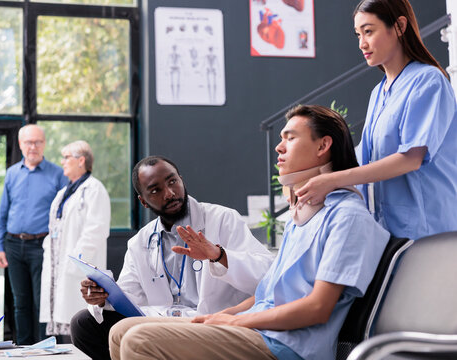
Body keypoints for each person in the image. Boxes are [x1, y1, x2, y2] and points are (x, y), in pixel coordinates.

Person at [108, 105, 390, 360]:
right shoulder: (301, 215)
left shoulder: (346, 216)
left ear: (323, 146)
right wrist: (222, 316)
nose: (279, 148)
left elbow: (318, 308)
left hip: (287, 344)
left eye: (290, 138)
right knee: (120, 331)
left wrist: (236, 320)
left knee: (139, 339)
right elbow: (265, 293)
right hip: (257, 327)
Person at [70, 155, 274, 360]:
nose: (169, 193)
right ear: (143, 201)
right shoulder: (140, 241)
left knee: (134, 335)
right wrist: (102, 297)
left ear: (181, 180)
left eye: (172, 182)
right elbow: (129, 295)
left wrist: (218, 255)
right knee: (83, 323)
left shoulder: (222, 219)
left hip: (211, 320)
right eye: (155, 190)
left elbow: (267, 272)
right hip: (164, 320)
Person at [294, 0, 457, 240]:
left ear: (400, 26)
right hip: (388, 228)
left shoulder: (428, 81)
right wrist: (307, 180)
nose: (362, 44)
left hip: (428, 228)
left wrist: (330, 180)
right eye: (358, 34)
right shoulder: (378, 93)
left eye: (369, 31)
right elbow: (364, 157)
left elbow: (411, 158)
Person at [0, 124, 67, 345]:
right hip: (13, 245)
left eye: (37, 142)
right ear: (20, 144)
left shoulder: (58, 174)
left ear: (44, 144)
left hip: (42, 246)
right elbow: (3, 211)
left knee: (42, 302)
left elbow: (65, 215)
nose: (32, 146)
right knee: (20, 302)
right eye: (28, 142)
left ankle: (46, 349)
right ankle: (24, 349)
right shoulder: (12, 173)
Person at [40, 140, 111, 343]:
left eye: (66, 157)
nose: (62, 162)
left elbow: (96, 230)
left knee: (79, 325)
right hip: (58, 266)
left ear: (81, 160)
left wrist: (75, 262)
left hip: (77, 268)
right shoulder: (64, 193)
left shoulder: (94, 189)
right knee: (62, 326)